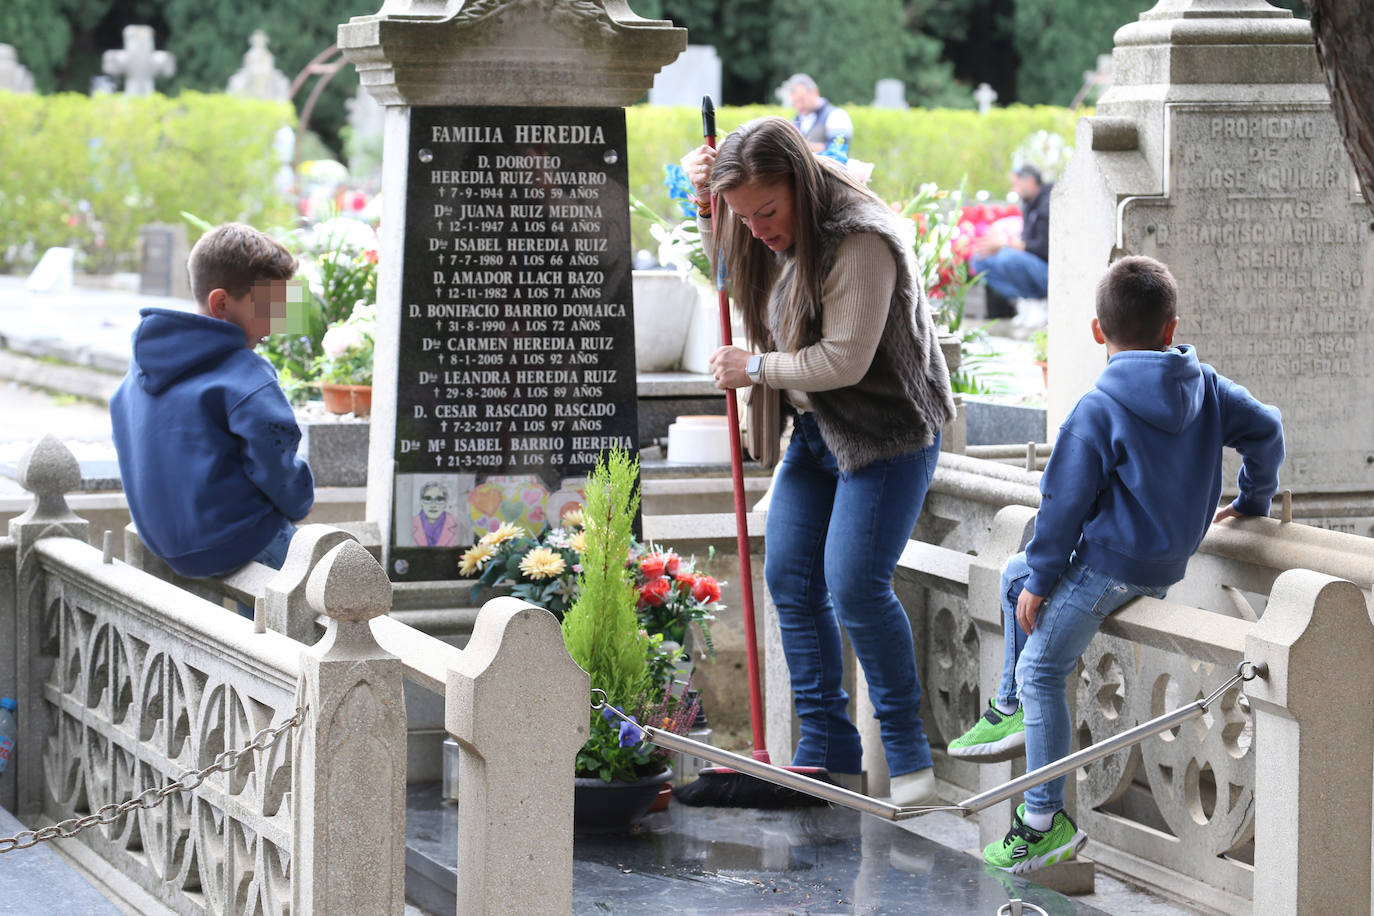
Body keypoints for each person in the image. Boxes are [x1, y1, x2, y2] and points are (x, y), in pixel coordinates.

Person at [947, 256, 1285, 874]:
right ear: (1171, 326)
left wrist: (1048, 578)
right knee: (1015, 572)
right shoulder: (1207, 387)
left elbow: (1062, 506)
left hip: (1111, 566)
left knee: (1042, 667)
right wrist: (1253, 498)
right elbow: (1268, 430)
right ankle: (1006, 707)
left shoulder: (1097, 409)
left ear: (1098, 332)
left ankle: (1042, 823)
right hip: (1165, 559)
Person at [682, 116, 956, 807]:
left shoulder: (859, 238)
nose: (758, 229)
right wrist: (705, 206)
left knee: (856, 584)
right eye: (742, 216)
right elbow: (727, 268)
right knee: (791, 578)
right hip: (815, 432)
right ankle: (826, 756)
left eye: (766, 211)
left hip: (887, 435)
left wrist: (757, 367)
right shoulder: (762, 228)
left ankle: (909, 758)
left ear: (800, 185)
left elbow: (845, 359)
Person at [111, 223, 314, 606]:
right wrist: (301, 502)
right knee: (326, 587)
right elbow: (278, 467)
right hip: (238, 537)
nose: (275, 324)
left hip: (166, 544)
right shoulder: (244, 373)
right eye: (269, 309)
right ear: (221, 303)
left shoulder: (135, 376)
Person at [971, 163, 1051, 325]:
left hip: (1050, 271)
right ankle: (1026, 301)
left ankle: (1038, 302)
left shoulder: (1050, 201)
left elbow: (1045, 249)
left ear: (1029, 181)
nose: (1014, 189)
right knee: (979, 260)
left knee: (1008, 257)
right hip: (1033, 265)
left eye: (1016, 184)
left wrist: (1007, 243)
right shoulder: (1029, 204)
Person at [785, 74, 855, 153]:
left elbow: (839, 149)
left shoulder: (837, 115)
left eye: (802, 100)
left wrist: (802, 148)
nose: (799, 106)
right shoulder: (794, 121)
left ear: (815, 92)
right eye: (795, 102)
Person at [413, 481, 459, 547]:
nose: (433, 505)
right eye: (427, 499)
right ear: (421, 502)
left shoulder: (457, 524)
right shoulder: (410, 524)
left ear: (446, 502)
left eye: (439, 499)